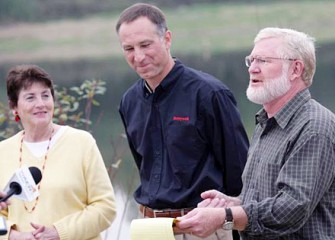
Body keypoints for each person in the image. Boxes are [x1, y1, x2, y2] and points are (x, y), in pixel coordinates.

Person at [176, 27, 335, 239]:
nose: (252, 69)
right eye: (251, 60)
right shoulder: (265, 122)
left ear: (295, 69)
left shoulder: (315, 126)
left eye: (263, 61)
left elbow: (291, 209)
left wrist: (226, 216)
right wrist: (233, 203)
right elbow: (267, 200)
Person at [115, 3, 249, 240]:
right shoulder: (129, 102)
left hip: (204, 229)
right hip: (150, 229)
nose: (139, 56)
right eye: (129, 48)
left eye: (146, 45)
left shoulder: (209, 94)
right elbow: (144, 169)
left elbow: (239, 173)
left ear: (167, 39)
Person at [0, 64, 117, 240]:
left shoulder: (81, 142)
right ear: (14, 107)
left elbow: (105, 208)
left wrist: (58, 232)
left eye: (45, 95)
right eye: (30, 97)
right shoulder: (3, 151)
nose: (40, 104)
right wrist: (14, 236)